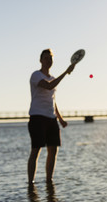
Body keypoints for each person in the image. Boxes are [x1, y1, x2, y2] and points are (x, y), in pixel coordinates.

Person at [27, 49, 75, 185]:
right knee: (36, 150)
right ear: (40, 60)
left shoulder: (53, 78)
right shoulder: (36, 75)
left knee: (53, 150)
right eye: (46, 58)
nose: (48, 61)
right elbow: (48, 87)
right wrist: (66, 72)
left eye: (50, 58)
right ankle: (31, 183)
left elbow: (53, 100)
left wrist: (60, 118)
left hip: (51, 118)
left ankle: (49, 181)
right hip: (37, 117)